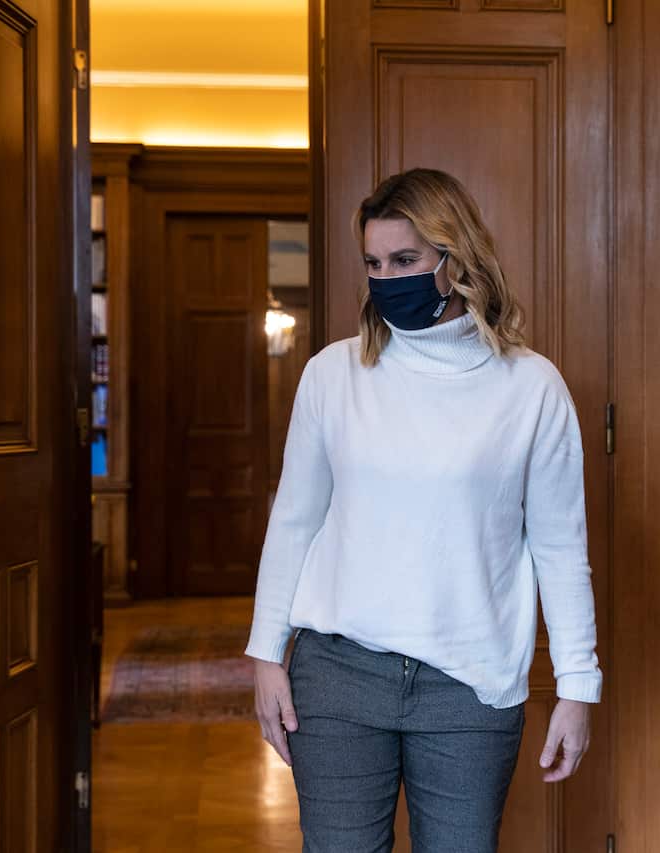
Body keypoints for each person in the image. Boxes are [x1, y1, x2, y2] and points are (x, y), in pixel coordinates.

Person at [246, 167, 603, 853]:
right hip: (337, 676)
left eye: (405, 260)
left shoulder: (532, 388)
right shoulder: (331, 375)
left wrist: (577, 684)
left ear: (455, 259)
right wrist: (265, 654)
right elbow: (294, 520)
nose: (387, 278)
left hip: (470, 684)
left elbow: (560, 548)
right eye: (374, 263)